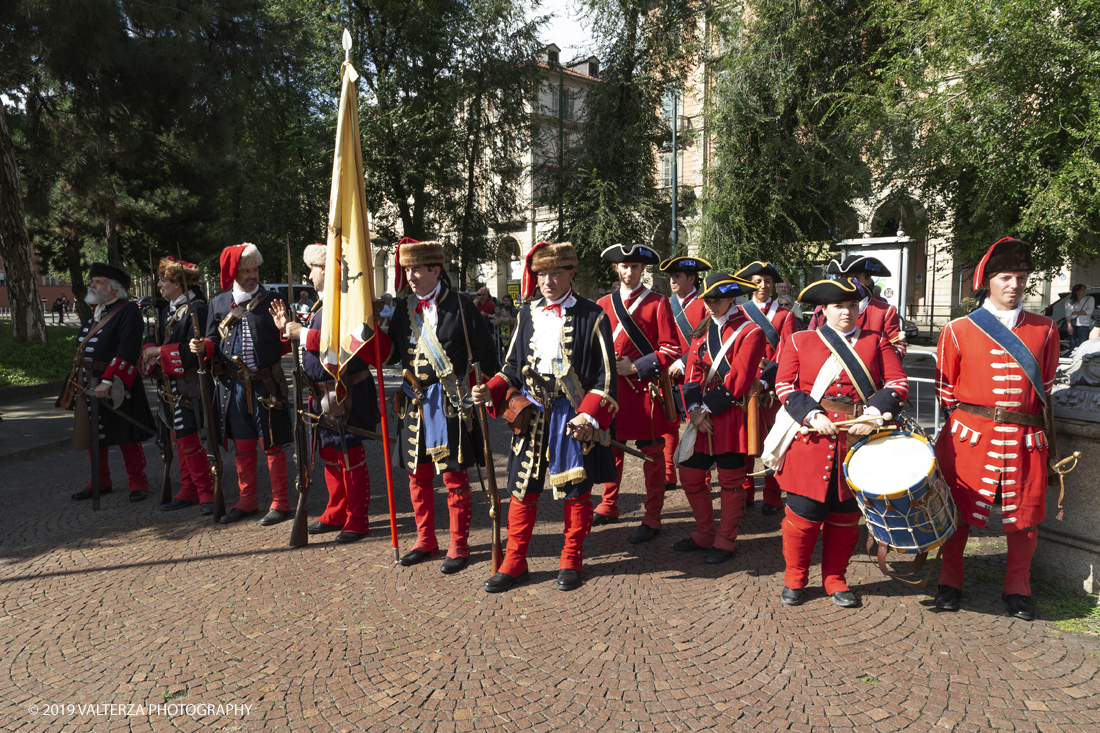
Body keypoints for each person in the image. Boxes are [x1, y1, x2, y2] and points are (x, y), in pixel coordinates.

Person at [472, 241, 617, 592]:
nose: (547, 281)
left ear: (571, 273)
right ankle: (514, 562)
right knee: (522, 489)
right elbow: (510, 369)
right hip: (532, 416)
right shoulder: (526, 313)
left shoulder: (592, 315)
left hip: (572, 418)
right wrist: (489, 389)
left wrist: (588, 417)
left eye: (555, 273)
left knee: (574, 491)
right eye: (541, 275)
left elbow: (606, 379)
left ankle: (571, 559)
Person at [932, 237, 1059, 620]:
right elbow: (945, 391)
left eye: (1021, 277)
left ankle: (1018, 589)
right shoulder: (957, 329)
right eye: (1006, 277)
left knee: (1025, 518)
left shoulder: (1046, 329)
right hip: (971, 438)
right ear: (988, 281)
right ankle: (949, 583)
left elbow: (1047, 388)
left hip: (1025, 438)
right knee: (956, 514)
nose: (1015, 285)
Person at [766, 277, 907, 607]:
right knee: (802, 516)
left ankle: (835, 577)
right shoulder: (800, 340)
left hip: (859, 441)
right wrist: (813, 415)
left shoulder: (876, 341)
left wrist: (874, 412)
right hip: (811, 437)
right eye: (839, 306)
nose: (847, 311)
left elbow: (898, 383)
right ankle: (795, 577)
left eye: (852, 305)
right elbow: (785, 386)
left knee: (845, 517)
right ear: (824, 310)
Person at [387, 238, 498, 573]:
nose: (410, 276)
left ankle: (458, 544)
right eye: (407, 269)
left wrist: (485, 391)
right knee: (417, 477)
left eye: (416, 269)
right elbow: (390, 355)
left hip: (448, 405)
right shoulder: (403, 310)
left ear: (435, 269)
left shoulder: (463, 307)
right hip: (412, 405)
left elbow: (487, 358)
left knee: (453, 478)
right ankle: (425, 540)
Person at [270, 243, 392, 544]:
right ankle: (337, 511)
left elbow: (343, 345)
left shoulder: (348, 303)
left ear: (325, 269)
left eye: (312, 269)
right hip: (321, 394)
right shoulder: (322, 305)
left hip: (344, 392)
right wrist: (286, 328)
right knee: (329, 456)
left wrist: (304, 334)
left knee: (349, 456)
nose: (309, 275)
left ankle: (358, 518)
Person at [190, 243, 294, 526]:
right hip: (232, 387)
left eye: (255, 269)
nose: (252, 275)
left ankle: (280, 502)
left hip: (266, 385)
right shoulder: (219, 304)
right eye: (246, 270)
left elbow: (289, 340)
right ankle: (247, 500)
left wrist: (285, 328)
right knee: (243, 446)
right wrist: (202, 346)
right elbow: (212, 339)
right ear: (234, 273)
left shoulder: (274, 299)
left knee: (272, 445)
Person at [676, 273, 767, 564]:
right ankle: (704, 532)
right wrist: (693, 409)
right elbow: (691, 373)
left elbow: (739, 379)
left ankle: (726, 539)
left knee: (730, 481)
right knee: (690, 474)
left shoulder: (751, 331)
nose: (711, 306)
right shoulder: (703, 329)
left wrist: (706, 409)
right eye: (708, 300)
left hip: (730, 414)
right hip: (701, 412)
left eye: (717, 301)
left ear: (731, 298)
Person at [593, 243, 681, 543]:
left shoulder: (658, 302)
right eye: (624, 266)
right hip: (613, 392)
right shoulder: (603, 303)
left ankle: (653, 516)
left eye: (634, 266)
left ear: (643, 269)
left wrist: (637, 366)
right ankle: (608, 504)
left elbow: (671, 349)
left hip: (645, 393)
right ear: (616, 269)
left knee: (652, 456)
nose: (629, 271)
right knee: (611, 448)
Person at [70, 263, 155, 503]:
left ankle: (137, 480)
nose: (92, 285)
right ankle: (100, 480)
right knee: (92, 434)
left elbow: (127, 348)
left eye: (98, 281)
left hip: (117, 380)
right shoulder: (94, 312)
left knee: (126, 434)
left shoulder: (127, 311)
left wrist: (108, 380)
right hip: (88, 381)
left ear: (114, 288)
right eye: (92, 281)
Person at [140, 257, 215, 515]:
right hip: (169, 384)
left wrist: (160, 350)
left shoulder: (198, 310)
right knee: (177, 437)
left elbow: (195, 351)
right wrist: (149, 351)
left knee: (189, 438)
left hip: (191, 385)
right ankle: (188, 488)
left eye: (164, 280)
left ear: (178, 284)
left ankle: (205, 492)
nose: (159, 284)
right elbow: (155, 340)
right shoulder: (166, 310)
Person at [734, 261, 799, 515]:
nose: (763, 286)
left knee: (773, 443)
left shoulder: (786, 315)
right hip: (744, 387)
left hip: (771, 389)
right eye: (758, 281)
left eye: (768, 281)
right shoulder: (740, 312)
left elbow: (788, 353)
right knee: (745, 442)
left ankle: (771, 495)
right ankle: (745, 490)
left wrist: (766, 379)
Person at [658, 254, 713, 492]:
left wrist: (683, 361)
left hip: (694, 374)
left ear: (692, 278)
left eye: (677, 276)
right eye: (671, 277)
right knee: (669, 422)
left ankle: (704, 477)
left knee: (697, 422)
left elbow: (708, 340)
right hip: (667, 373)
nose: (672, 281)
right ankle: (669, 472)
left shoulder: (704, 304)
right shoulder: (665, 303)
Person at [808, 255, 907, 358]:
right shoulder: (829, 307)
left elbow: (899, 347)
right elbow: (817, 339)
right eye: (846, 277)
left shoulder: (885, 311)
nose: (851, 282)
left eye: (857, 277)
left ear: (867, 280)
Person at [1068, 284, 1094, 349]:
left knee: (1082, 343)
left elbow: (1089, 311)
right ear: (1076, 292)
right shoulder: (1070, 301)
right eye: (1081, 289)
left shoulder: (1089, 299)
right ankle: (1069, 357)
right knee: (1072, 344)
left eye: (1084, 289)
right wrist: (1069, 325)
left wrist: (1074, 312)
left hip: (1084, 324)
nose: (1084, 291)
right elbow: (1068, 314)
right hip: (1073, 323)